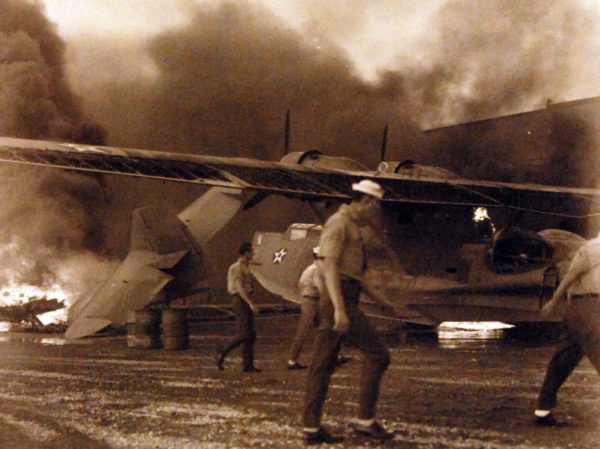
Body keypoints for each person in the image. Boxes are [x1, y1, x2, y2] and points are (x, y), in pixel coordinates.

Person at [302, 179, 400, 445]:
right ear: (367, 202)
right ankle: (364, 421)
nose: (376, 212)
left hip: (343, 297)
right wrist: (340, 310)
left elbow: (353, 274)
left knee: (322, 365)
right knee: (378, 354)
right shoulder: (339, 223)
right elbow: (330, 267)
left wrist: (380, 300)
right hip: (339, 299)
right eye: (376, 206)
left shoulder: (351, 226)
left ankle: (311, 428)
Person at [533, 232, 600, 426]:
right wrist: (554, 302)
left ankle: (543, 410)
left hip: (580, 308)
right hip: (590, 307)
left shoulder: (590, 248)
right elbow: (572, 275)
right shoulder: (595, 247)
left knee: (562, 360)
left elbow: (572, 276)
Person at [288, 247, 353, 371]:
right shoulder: (316, 270)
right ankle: (292, 360)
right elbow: (321, 288)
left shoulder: (312, 269)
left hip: (312, 300)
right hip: (311, 301)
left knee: (325, 329)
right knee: (304, 331)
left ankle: (333, 356)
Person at [216, 242, 261, 373]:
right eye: (251, 251)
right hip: (240, 300)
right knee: (244, 333)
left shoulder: (245, 267)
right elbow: (239, 288)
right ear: (246, 253)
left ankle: (248, 365)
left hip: (245, 299)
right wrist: (250, 303)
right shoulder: (236, 268)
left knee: (250, 335)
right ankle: (222, 350)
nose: (253, 254)